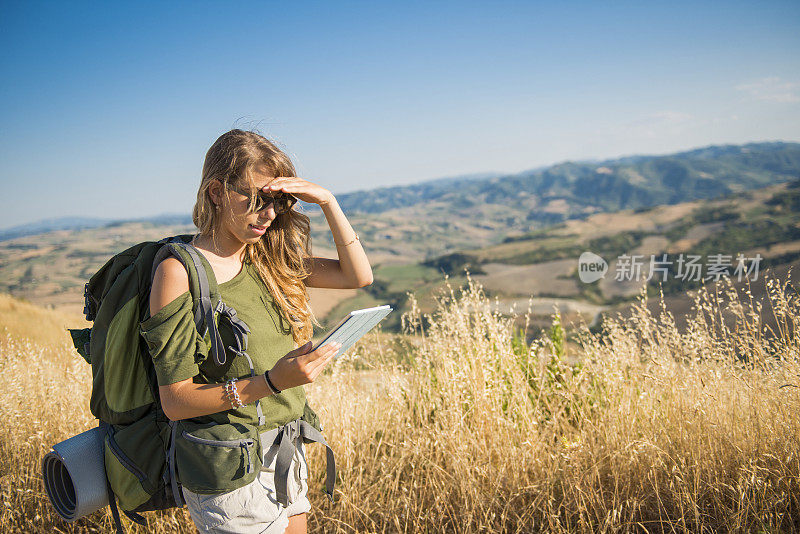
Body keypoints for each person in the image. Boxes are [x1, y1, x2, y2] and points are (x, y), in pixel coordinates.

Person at [142, 129, 373, 533]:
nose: (269, 214)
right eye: (257, 199)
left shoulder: (268, 259)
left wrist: (328, 202)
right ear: (216, 192)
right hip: (228, 467)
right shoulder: (179, 273)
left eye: (279, 203)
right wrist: (270, 382)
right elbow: (175, 401)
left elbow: (358, 276)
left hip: (287, 447)